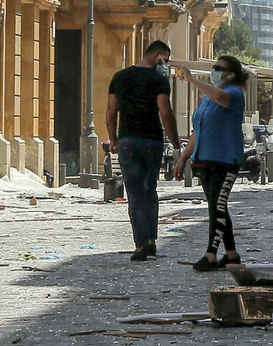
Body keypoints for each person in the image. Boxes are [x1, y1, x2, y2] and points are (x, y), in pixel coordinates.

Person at [104, 40, 181, 261]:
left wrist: (113, 139)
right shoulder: (158, 80)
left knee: (135, 194)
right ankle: (151, 240)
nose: (165, 64)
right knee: (150, 190)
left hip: (128, 141)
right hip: (151, 141)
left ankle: (140, 244)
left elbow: (111, 112)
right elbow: (166, 114)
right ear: (157, 56)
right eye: (165, 59)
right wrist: (175, 145)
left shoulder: (120, 77)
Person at [178, 55, 248, 272]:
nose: (215, 70)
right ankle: (232, 254)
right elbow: (196, 131)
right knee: (217, 207)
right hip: (205, 159)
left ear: (231, 74)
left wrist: (191, 79)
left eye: (220, 68)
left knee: (216, 208)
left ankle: (210, 253)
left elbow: (221, 97)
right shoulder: (207, 99)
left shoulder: (234, 93)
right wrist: (183, 157)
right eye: (214, 67)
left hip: (225, 160)